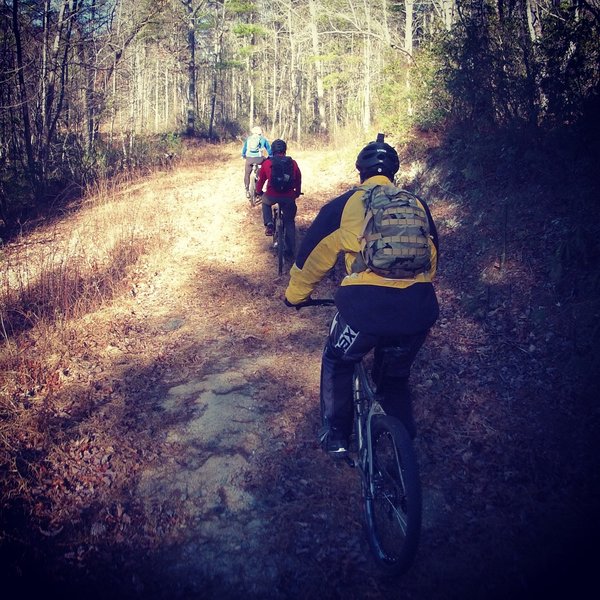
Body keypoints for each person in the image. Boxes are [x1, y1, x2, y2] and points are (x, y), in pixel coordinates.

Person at [283, 136, 439, 456]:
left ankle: (337, 434)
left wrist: (296, 295)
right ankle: (403, 443)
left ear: (361, 172)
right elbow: (431, 258)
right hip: (419, 307)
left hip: (365, 308)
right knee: (394, 377)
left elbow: (312, 257)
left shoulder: (345, 205)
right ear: (394, 172)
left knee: (338, 359)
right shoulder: (417, 204)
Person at [255, 138, 302, 259]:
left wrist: (259, 191)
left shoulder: (267, 163)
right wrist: (296, 192)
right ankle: (291, 250)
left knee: (265, 203)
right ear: (285, 150)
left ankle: (269, 224)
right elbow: (298, 178)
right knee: (289, 221)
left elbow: (261, 180)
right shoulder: (292, 163)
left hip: (271, 195)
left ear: (273, 150)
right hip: (288, 197)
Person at [242, 126, 272, 198]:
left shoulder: (249, 139)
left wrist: (243, 155)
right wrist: (270, 156)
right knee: (262, 171)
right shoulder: (263, 139)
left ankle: (247, 190)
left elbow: (244, 149)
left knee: (247, 174)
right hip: (259, 159)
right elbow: (269, 149)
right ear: (260, 132)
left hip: (249, 159)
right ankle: (259, 188)